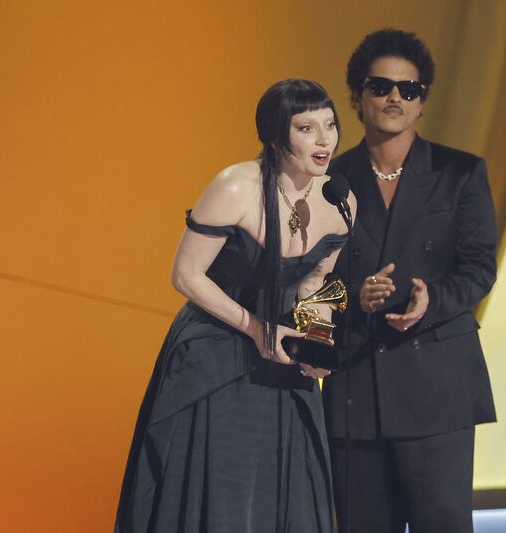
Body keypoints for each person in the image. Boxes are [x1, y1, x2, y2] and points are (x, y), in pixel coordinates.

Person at [115, 79, 356, 533]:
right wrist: (257, 329)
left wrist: (317, 340)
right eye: (307, 128)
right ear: (275, 135)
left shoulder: (339, 199)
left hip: (283, 355)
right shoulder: (235, 186)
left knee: (282, 497)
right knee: (224, 494)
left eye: (330, 125)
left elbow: (315, 279)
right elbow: (185, 276)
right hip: (216, 351)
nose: (325, 140)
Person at [322, 29, 497, 533]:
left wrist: (431, 299)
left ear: (422, 103)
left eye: (409, 89)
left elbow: (480, 266)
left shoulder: (460, 173)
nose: (395, 97)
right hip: (356, 388)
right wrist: (352, 297)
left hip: (437, 387)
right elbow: (307, 286)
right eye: (380, 87)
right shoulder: (327, 183)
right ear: (357, 98)